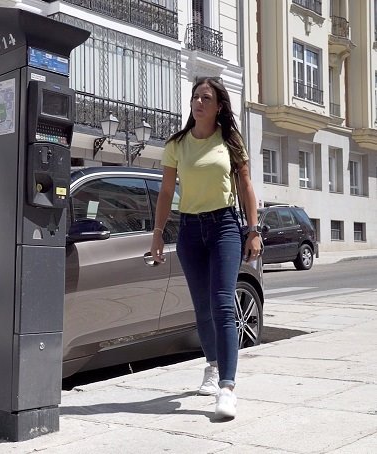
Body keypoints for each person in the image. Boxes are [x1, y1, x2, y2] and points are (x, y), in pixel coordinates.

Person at [148, 76, 262, 419]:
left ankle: (227, 387)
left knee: (223, 304)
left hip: (225, 226)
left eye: (206, 98)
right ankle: (212, 366)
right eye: (196, 97)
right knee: (201, 308)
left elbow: (245, 186)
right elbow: (167, 193)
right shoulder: (177, 145)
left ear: (218, 106)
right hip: (189, 230)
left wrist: (253, 230)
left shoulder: (229, 141)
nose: (199, 102)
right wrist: (157, 233)